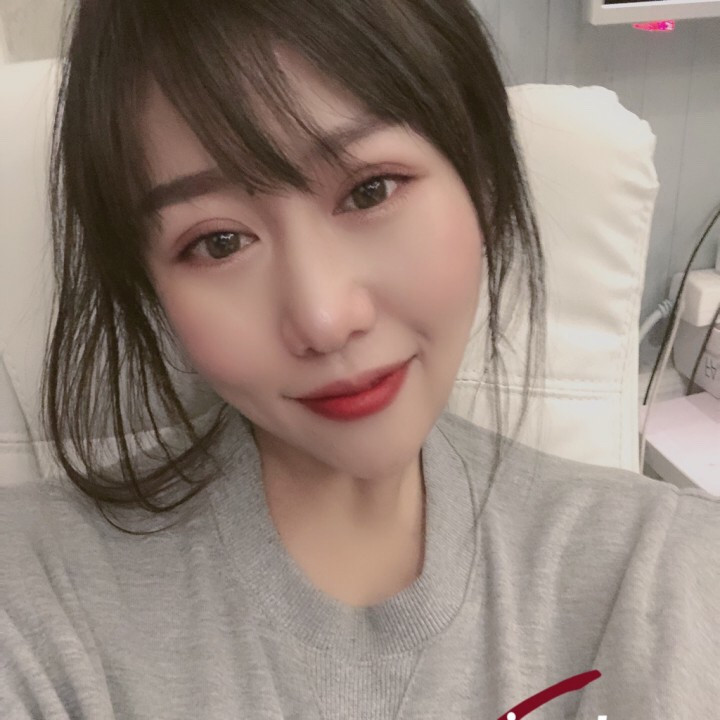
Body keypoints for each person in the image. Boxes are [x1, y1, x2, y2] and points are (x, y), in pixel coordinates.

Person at [1, 0, 718, 718]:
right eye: (218, 242)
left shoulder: (661, 568)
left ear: (483, 184)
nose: (323, 318)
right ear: (151, 287)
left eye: (370, 190)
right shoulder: (32, 597)